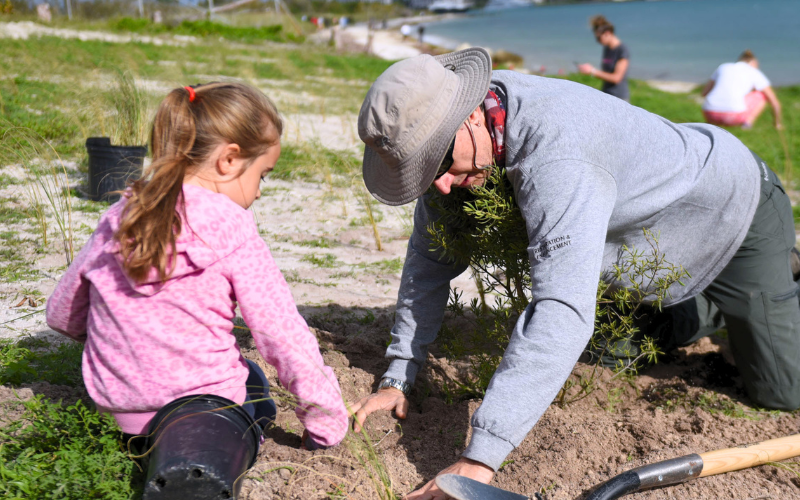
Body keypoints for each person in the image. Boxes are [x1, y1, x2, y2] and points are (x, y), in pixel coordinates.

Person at [351, 48, 800, 499]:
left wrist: (477, 461)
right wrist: (398, 376)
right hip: (652, 243)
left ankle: (780, 273)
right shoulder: (455, 127)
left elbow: (562, 310)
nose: (441, 185)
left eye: (439, 162)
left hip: (735, 211)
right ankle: (705, 302)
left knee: (780, 391)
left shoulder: (558, 155)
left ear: (468, 116)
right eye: (422, 171)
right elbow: (429, 260)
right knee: (607, 351)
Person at [46, 82, 348, 453]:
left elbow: (61, 314)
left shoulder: (121, 215)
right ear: (229, 159)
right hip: (204, 418)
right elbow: (282, 335)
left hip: (116, 415)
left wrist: (120, 342)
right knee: (254, 380)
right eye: (262, 175)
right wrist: (326, 423)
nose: (258, 191)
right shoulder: (232, 228)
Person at [702, 50, 783, 130]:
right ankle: (747, 124)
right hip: (734, 116)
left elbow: (704, 93)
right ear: (753, 62)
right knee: (761, 95)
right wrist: (777, 123)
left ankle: (713, 125)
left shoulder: (723, 67)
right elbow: (774, 102)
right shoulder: (753, 71)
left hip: (709, 114)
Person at [578, 15, 630, 101]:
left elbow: (617, 78)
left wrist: (592, 71)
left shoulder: (622, 50)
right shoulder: (607, 48)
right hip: (606, 94)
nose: (597, 41)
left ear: (607, 33)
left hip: (619, 97)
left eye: (599, 38)